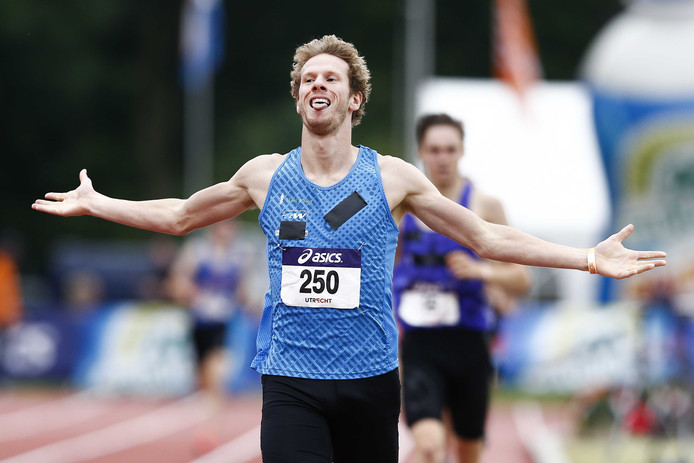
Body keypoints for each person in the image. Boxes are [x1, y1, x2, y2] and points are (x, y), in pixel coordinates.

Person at [32, 34, 666, 463]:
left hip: (369, 380)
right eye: (308, 77)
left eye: (331, 77)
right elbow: (178, 216)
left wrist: (585, 257)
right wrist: (100, 203)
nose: (318, 83)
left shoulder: (391, 178)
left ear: (353, 100)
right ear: (298, 96)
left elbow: (485, 235)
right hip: (291, 379)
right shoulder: (262, 176)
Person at [393, 113, 531, 463]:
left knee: (468, 450)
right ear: (421, 151)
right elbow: (386, 266)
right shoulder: (403, 207)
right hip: (420, 343)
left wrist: (482, 272)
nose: (442, 158)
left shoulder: (484, 205)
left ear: (462, 152)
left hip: (471, 341)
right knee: (428, 444)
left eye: (450, 149)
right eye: (435, 149)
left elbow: (522, 279)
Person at [167, 219, 246, 453]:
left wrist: (241, 301)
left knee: (216, 376)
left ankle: (210, 431)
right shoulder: (196, 252)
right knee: (201, 380)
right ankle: (205, 422)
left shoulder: (239, 257)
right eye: (223, 227)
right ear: (214, 229)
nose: (227, 232)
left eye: (231, 227)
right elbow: (177, 284)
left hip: (223, 324)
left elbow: (242, 291)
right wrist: (193, 294)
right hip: (198, 323)